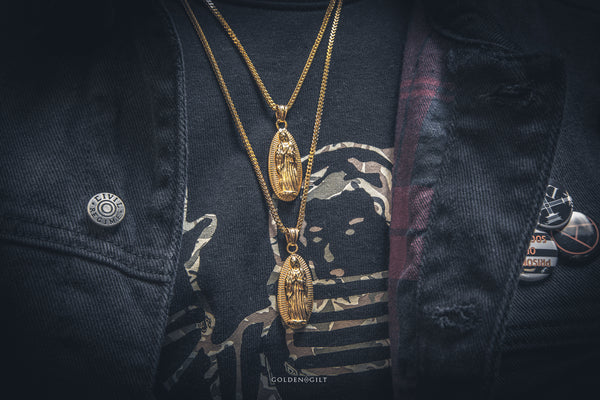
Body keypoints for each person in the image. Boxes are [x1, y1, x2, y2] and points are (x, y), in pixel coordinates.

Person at [1, 0, 598, 399]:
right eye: (322, 235)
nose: (330, 248)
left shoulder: (568, 42)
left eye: (352, 227)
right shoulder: (29, 60)